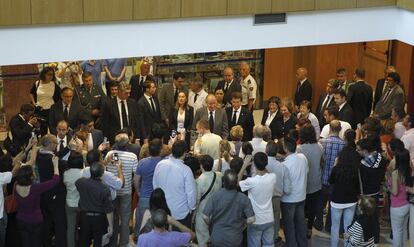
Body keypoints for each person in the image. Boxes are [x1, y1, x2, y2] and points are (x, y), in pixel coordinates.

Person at [15, 156, 60, 247]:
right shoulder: (35, 188)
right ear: (31, 177)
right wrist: (55, 165)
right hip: (35, 221)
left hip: (20, 220)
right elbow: (55, 180)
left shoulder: (16, 185)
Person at [202, 170, 255, 247]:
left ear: (223, 182)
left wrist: (211, 224)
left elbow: (205, 216)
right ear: (237, 183)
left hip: (217, 236)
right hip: (235, 238)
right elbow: (252, 219)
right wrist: (243, 224)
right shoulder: (243, 198)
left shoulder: (215, 196)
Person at [105, 133, 138, 247]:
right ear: (127, 143)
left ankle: (112, 243)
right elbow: (136, 173)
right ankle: (123, 243)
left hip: (112, 191)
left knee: (113, 219)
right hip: (126, 191)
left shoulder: (110, 154)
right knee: (125, 219)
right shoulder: (132, 156)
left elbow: (104, 169)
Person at [153, 140, 196, 228]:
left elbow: (155, 186)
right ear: (185, 153)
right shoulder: (186, 170)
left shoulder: (160, 164)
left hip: (162, 211)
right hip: (180, 213)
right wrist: (192, 208)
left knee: (163, 239)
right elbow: (191, 193)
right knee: (181, 240)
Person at [239, 152, 276, 247]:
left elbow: (237, 182)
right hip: (269, 218)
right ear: (266, 163)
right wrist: (261, 164)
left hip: (256, 220)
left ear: (254, 164)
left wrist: (244, 165)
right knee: (269, 244)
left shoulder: (252, 181)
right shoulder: (273, 177)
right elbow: (266, 172)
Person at [36, 134, 67, 247]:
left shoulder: (39, 154)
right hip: (56, 195)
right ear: (49, 144)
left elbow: (56, 155)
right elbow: (64, 163)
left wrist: (68, 148)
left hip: (43, 195)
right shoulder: (52, 160)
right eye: (55, 143)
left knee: (46, 222)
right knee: (60, 223)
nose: (57, 144)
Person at [356, 135, 387, 243]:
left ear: (365, 151)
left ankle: (366, 239)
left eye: (358, 149)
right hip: (377, 191)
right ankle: (375, 238)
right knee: (375, 217)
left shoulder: (363, 167)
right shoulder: (380, 157)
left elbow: (362, 182)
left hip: (366, 195)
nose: (357, 151)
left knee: (365, 218)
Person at [329, 144, 360, 247]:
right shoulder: (356, 170)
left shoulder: (336, 169)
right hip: (351, 201)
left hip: (337, 200)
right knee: (348, 227)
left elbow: (330, 181)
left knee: (335, 227)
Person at [76, 162, 114, 247]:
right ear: (102, 174)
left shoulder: (81, 182)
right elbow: (109, 210)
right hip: (99, 219)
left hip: (84, 217)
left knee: (83, 241)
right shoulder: (104, 188)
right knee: (98, 242)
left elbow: (78, 185)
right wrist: (110, 226)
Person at [280, 137, 309, 247]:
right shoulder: (303, 158)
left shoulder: (284, 165)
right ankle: (303, 243)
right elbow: (306, 172)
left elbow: (285, 187)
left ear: (286, 149)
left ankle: (291, 244)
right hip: (301, 196)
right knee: (301, 222)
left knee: (289, 225)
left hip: (288, 200)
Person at [297, 124, 323, 238]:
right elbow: (323, 162)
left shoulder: (299, 148)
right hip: (316, 181)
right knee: (312, 208)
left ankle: (301, 228)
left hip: (303, 182)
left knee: (301, 208)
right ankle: (309, 228)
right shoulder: (319, 147)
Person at [319, 120, 346, 231]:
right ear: (340, 130)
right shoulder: (344, 144)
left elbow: (320, 161)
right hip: (335, 180)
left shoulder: (322, 142)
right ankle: (329, 226)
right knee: (332, 205)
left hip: (323, 177)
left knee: (320, 203)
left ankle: (318, 222)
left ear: (329, 128)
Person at [133, 138, 163, 238]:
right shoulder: (163, 163)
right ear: (160, 149)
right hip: (158, 197)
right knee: (156, 220)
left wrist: (138, 191)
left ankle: (138, 237)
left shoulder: (142, 162)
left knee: (140, 219)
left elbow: (136, 180)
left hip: (144, 196)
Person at [265, 141, 292, 242]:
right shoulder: (282, 166)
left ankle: (265, 238)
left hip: (264, 197)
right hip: (276, 197)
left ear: (266, 150)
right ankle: (274, 236)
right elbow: (287, 188)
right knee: (276, 218)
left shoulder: (262, 163)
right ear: (277, 151)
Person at [195, 155, 222, 247]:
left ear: (201, 166)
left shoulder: (199, 181)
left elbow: (197, 200)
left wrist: (194, 215)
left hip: (203, 212)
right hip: (216, 210)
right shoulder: (219, 175)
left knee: (203, 238)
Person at [388, 149, 410, 247]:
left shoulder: (396, 173)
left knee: (396, 232)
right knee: (404, 229)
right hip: (407, 204)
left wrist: (387, 187)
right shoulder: (409, 170)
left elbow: (395, 192)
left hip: (397, 206)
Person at [30, 66, 61, 136]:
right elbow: (31, 93)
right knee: (42, 131)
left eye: (52, 75)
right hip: (39, 110)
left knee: (53, 130)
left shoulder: (53, 84)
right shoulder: (37, 83)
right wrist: (34, 103)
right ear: (44, 74)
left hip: (51, 110)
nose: (51, 76)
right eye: (49, 74)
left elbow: (60, 96)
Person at [62, 151, 84, 247]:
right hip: (82, 204)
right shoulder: (84, 173)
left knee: (70, 228)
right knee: (83, 228)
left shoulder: (65, 173)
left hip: (69, 203)